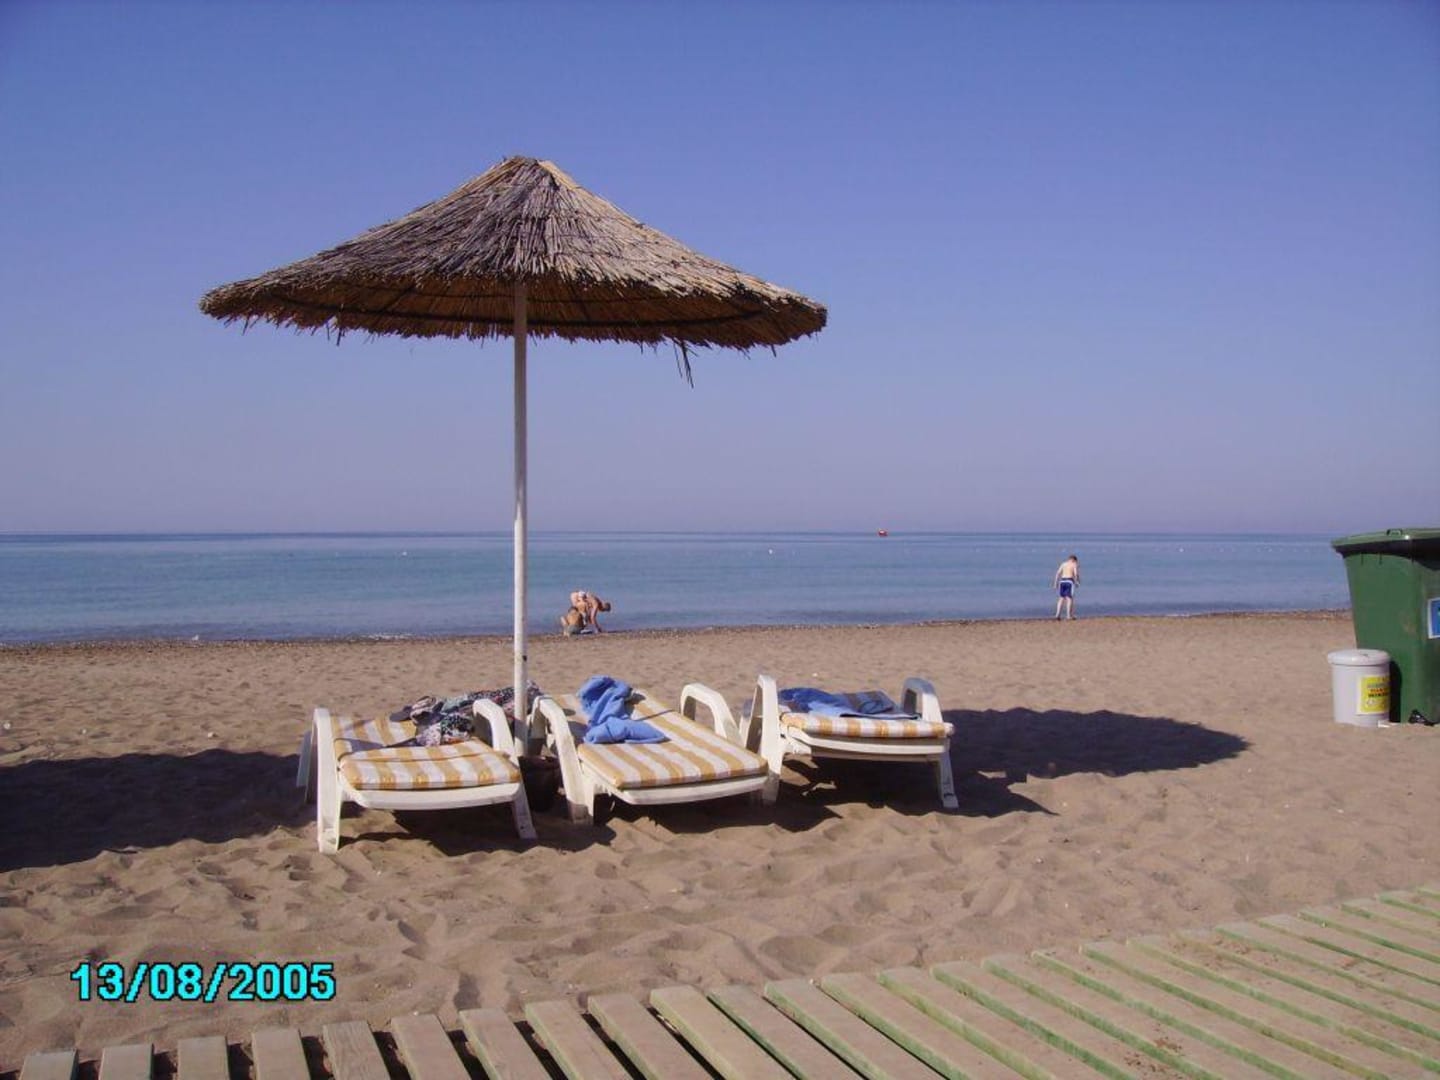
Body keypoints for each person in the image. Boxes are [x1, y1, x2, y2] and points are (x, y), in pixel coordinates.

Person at [1053, 555, 1080, 620]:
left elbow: (1058, 573)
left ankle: (1057, 614)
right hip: (1069, 581)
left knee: (1061, 598)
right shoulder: (1074, 564)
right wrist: (1077, 581)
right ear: (1074, 560)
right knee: (1069, 598)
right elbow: (1076, 574)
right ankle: (1068, 615)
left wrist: (1055, 583)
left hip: (1062, 581)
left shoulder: (1063, 564)